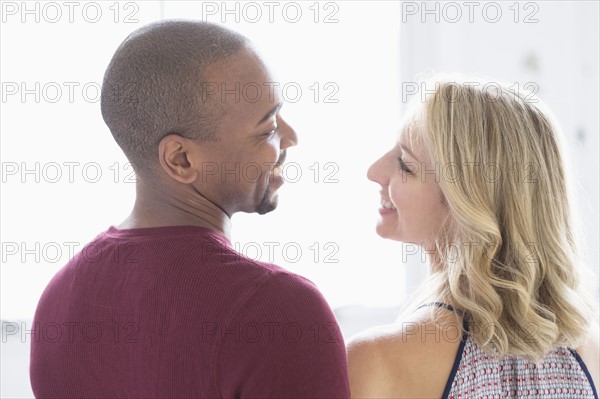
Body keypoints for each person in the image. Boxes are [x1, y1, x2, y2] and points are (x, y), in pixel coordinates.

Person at [30, 20, 350, 398]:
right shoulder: (279, 310)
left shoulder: (59, 299)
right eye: (266, 130)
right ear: (181, 159)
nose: (291, 137)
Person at [347, 77, 599, 398]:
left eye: (405, 165)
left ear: (466, 205)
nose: (373, 170)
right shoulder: (588, 355)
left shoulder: (376, 362)